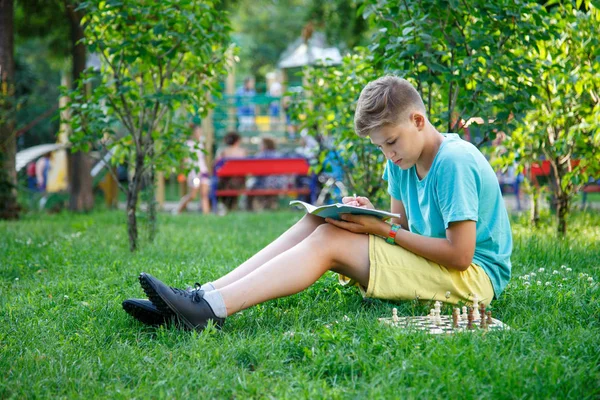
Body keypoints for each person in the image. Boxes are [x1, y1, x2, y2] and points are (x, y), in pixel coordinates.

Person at [124, 76, 513, 333]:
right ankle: (202, 297)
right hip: (440, 265)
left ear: (418, 120)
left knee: (330, 241)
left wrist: (385, 229)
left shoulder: (454, 163)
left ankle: (211, 310)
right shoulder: (404, 159)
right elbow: (401, 225)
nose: (389, 154)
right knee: (323, 222)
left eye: (391, 142)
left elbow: (460, 255)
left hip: (473, 280)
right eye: (380, 147)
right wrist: (368, 213)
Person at [173, 125, 210, 215]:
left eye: (200, 132)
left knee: (204, 194)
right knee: (193, 195)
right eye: (198, 132)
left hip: (203, 171)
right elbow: (185, 160)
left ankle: (206, 215)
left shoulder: (201, 144)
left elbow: (203, 159)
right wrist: (185, 173)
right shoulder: (188, 144)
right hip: (194, 173)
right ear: (193, 133)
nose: (199, 134)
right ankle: (178, 210)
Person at [215, 131, 247, 211]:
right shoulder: (242, 152)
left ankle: (226, 206)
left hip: (225, 183)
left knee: (220, 182)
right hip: (239, 182)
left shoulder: (223, 152)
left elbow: (216, 167)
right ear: (237, 141)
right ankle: (232, 206)